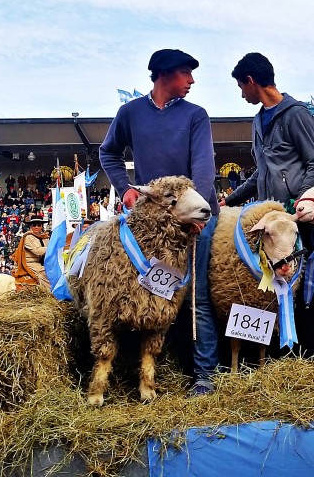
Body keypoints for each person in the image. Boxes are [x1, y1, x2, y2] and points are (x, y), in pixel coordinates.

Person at [99, 48, 220, 395]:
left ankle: (203, 376)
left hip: (194, 221)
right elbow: (108, 152)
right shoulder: (130, 113)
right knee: (157, 296)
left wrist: (199, 213)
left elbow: (203, 167)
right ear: (165, 75)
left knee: (195, 298)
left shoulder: (196, 115)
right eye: (186, 73)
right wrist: (125, 188)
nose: (192, 80)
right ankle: (158, 372)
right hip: (155, 227)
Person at [223, 52, 314, 209]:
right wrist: (229, 201)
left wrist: (301, 202)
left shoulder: (296, 114)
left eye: (241, 87)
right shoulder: (257, 121)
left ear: (250, 80)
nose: (242, 95)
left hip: (296, 217)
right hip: (268, 217)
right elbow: (261, 173)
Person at [14, 215, 49, 289]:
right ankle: (51, 293)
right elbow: (37, 251)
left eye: (39, 225)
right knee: (47, 274)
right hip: (31, 264)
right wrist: (52, 248)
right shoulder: (28, 237)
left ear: (42, 226)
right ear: (31, 226)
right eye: (34, 225)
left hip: (43, 263)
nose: (36, 227)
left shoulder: (45, 237)